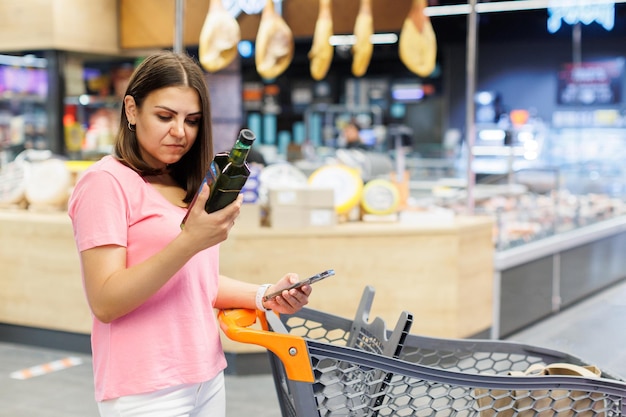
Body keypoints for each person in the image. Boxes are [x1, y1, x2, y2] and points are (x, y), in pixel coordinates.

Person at [67, 51, 311, 417]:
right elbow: (105, 301)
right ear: (131, 110)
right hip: (146, 388)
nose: (180, 132)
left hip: (206, 375)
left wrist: (265, 295)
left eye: (192, 120)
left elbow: (193, 281)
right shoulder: (105, 183)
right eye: (164, 116)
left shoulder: (182, 183)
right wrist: (189, 241)